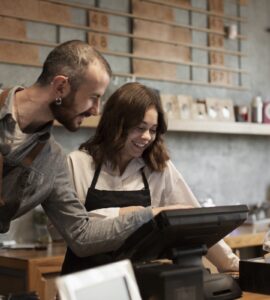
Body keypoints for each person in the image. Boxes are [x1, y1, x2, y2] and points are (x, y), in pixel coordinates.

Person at [0, 41, 177, 257]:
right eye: (94, 97)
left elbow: (81, 235)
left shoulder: (52, 160)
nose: (96, 110)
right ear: (61, 87)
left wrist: (151, 215)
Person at [61, 82, 239, 274]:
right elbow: (65, 229)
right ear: (116, 124)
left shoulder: (158, 167)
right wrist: (137, 213)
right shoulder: (77, 163)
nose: (146, 137)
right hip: (84, 283)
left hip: (139, 283)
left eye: (153, 130)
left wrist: (232, 263)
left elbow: (196, 222)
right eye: (140, 127)